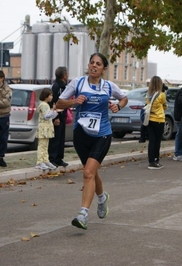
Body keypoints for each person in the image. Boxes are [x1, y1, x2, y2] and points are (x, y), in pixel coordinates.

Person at [56, 52, 128, 230]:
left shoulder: (109, 86)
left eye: (98, 64)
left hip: (102, 134)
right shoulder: (78, 83)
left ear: (103, 69)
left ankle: (83, 214)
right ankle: (102, 198)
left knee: (88, 172)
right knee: (92, 173)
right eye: (91, 63)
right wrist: (74, 101)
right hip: (81, 134)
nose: (93, 66)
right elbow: (59, 103)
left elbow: (124, 98)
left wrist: (117, 106)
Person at [48, 66, 69, 167]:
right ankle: (52, 158)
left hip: (62, 114)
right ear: (64, 75)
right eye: (66, 73)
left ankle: (59, 158)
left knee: (61, 138)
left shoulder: (64, 86)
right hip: (57, 115)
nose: (67, 75)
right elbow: (53, 102)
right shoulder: (56, 86)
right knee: (55, 139)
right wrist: (55, 117)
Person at [145, 76, 167, 169]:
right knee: (157, 141)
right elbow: (165, 106)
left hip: (150, 119)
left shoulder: (148, 95)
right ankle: (156, 160)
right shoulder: (161, 95)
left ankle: (151, 161)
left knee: (151, 141)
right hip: (159, 119)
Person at [35, 88, 59, 170]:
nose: (52, 97)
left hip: (47, 127)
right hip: (43, 128)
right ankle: (39, 162)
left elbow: (50, 117)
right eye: (50, 95)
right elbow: (46, 116)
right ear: (46, 96)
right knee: (42, 145)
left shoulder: (46, 105)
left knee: (45, 145)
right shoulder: (43, 105)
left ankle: (45, 160)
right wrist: (53, 110)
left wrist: (55, 112)